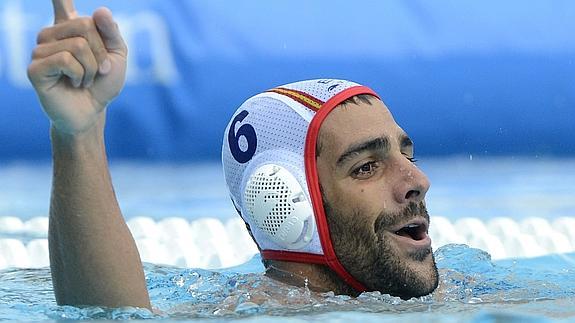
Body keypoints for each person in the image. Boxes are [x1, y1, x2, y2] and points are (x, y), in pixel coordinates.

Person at [28, 0, 438, 310]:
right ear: (283, 202)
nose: (417, 182)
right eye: (366, 167)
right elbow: (115, 317)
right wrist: (78, 135)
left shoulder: (462, 290)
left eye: (408, 155)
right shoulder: (255, 316)